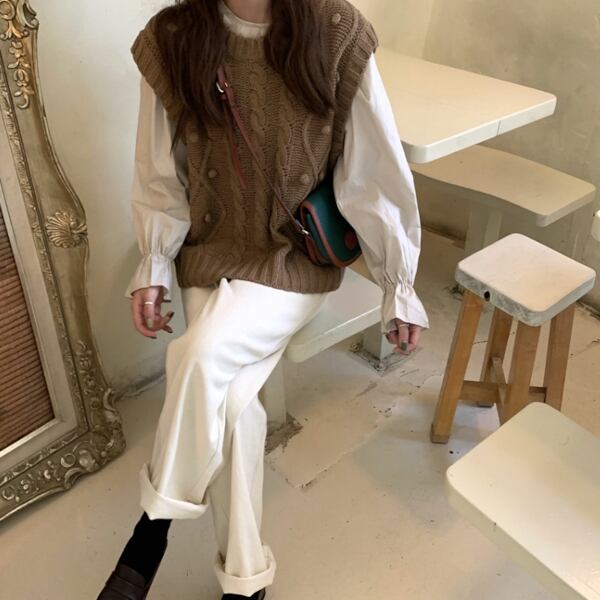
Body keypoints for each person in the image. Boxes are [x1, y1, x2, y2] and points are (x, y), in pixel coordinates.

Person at [98, 0, 429, 598]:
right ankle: (245, 584)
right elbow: (159, 174)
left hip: (291, 259)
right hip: (210, 252)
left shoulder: (336, 32)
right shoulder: (172, 37)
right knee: (233, 406)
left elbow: (372, 172)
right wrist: (153, 265)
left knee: (200, 357)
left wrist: (397, 285)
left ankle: (150, 532)